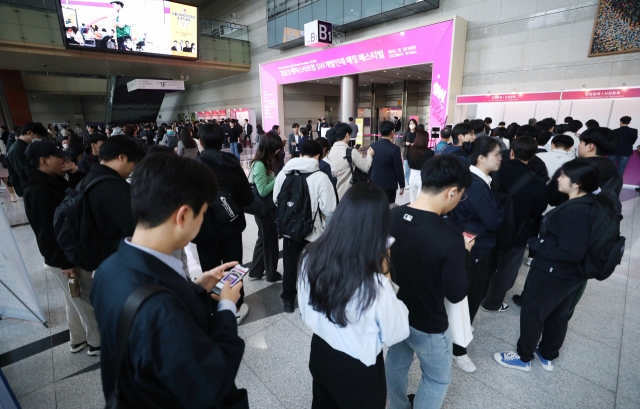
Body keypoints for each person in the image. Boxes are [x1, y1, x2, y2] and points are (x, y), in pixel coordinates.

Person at [91, 154, 247, 408]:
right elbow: (212, 380)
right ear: (183, 216)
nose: (203, 220)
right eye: (204, 213)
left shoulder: (108, 270)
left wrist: (195, 289)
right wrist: (227, 306)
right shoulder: (161, 312)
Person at [298, 183, 410, 409]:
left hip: (320, 351)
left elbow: (304, 306)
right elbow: (396, 333)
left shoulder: (310, 256)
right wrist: (386, 276)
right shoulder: (375, 283)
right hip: (357, 369)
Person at [495, 160, 603, 372]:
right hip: (573, 276)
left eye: (563, 176)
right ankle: (548, 354)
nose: (558, 179)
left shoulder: (575, 211)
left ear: (577, 183)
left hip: (554, 273)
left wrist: (537, 243)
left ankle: (523, 357)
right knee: (559, 314)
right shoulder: (591, 203)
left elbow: (571, 251)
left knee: (533, 312)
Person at [386, 155, 473, 409]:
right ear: (452, 192)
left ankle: (398, 406)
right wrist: (464, 255)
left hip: (396, 312)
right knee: (436, 378)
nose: (459, 201)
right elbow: (456, 292)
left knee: (396, 361)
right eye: (461, 196)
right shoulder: (450, 237)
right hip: (428, 322)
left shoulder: (393, 215)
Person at [21, 141, 101, 355]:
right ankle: (98, 342)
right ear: (43, 161)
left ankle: (78, 339)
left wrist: (75, 174)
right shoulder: (38, 190)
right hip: (64, 256)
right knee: (85, 297)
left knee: (73, 297)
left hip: (66, 253)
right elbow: (46, 230)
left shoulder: (49, 181)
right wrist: (64, 262)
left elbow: (76, 196)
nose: (64, 160)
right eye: (59, 157)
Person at [449, 137, 503, 372]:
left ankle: (460, 335)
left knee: (469, 295)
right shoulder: (476, 185)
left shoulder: (475, 180)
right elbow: (493, 221)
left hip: (470, 244)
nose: (501, 158)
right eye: (497, 154)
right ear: (481, 158)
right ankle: (458, 349)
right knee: (470, 297)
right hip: (475, 249)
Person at [193, 123, 254, 324]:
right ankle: (235, 307)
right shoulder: (233, 165)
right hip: (231, 228)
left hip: (204, 231)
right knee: (233, 268)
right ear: (223, 141)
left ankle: (214, 308)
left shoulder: (193, 168)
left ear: (200, 142)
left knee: (210, 270)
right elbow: (247, 198)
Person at [481, 137, 547, 312]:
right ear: (533, 155)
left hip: (490, 225)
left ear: (511, 152)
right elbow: (538, 211)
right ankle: (492, 303)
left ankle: (479, 293)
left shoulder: (494, 172)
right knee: (507, 268)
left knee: (487, 262)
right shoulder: (538, 182)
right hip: (518, 231)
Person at [273, 140, 337, 313]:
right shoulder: (321, 178)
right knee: (312, 268)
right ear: (318, 156)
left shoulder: (283, 174)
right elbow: (330, 209)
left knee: (290, 265)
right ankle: (308, 303)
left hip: (289, 232)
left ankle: (287, 300)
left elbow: (276, 200)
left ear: (300, 154)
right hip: (314, 233)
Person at [77, 135, 145, 270]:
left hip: (96, 256)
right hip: (118, 260)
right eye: (134, 163)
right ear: (122, 158)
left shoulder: (88, 179)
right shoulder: (117, 189)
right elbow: (136, 231)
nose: (133, 169)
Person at [247, 131, 283, 283]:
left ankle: (255, 271)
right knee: (270, 242)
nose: (278, 151)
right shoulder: (260, 165)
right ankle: (271, 273)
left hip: (266, 209)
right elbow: (262, 191)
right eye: (276, 148)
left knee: (263, 240)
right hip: (264, 210)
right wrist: (278, 178)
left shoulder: (265, 162)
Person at [324, 123, 373, 199]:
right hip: (347, 195)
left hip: (331, 195)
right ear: (347, 135)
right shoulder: (352, 152)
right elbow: (365, 167)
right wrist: (369, 155)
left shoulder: (328, 152)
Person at [6, 122, 46, 200]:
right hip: (29, 187)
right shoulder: (16, 150)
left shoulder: (26, 146)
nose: (40, 139)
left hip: (35, 186)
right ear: (29, 133)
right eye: (39, 136)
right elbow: (24, 172)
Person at [369, 121, 405, 204]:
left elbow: (369, 165)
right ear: (392, 132)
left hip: (374, 182)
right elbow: (398, 168)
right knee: (389, 207)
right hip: (389, 184)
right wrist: (402, 184)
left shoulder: (372, 146)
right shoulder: (395, 149)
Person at [407, 130, 434, 203]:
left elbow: (409, 163)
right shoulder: (430, 152)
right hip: (423, 176)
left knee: (412, 200)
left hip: (412, 176)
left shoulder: (410, 150)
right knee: (420, 201)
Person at [401, 118, 418, 184]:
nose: (412, 125)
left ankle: (414, 182)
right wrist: (406, 143)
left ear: (415, 125)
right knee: (407, 171)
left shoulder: (418, 134)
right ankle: (408, 183)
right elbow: (401, 143)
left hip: (415, 154)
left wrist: (415, 144)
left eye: (413, 123)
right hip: (407, 154)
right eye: (410, 124)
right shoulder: (406, 133)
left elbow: (421, 143)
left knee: (415, 170)